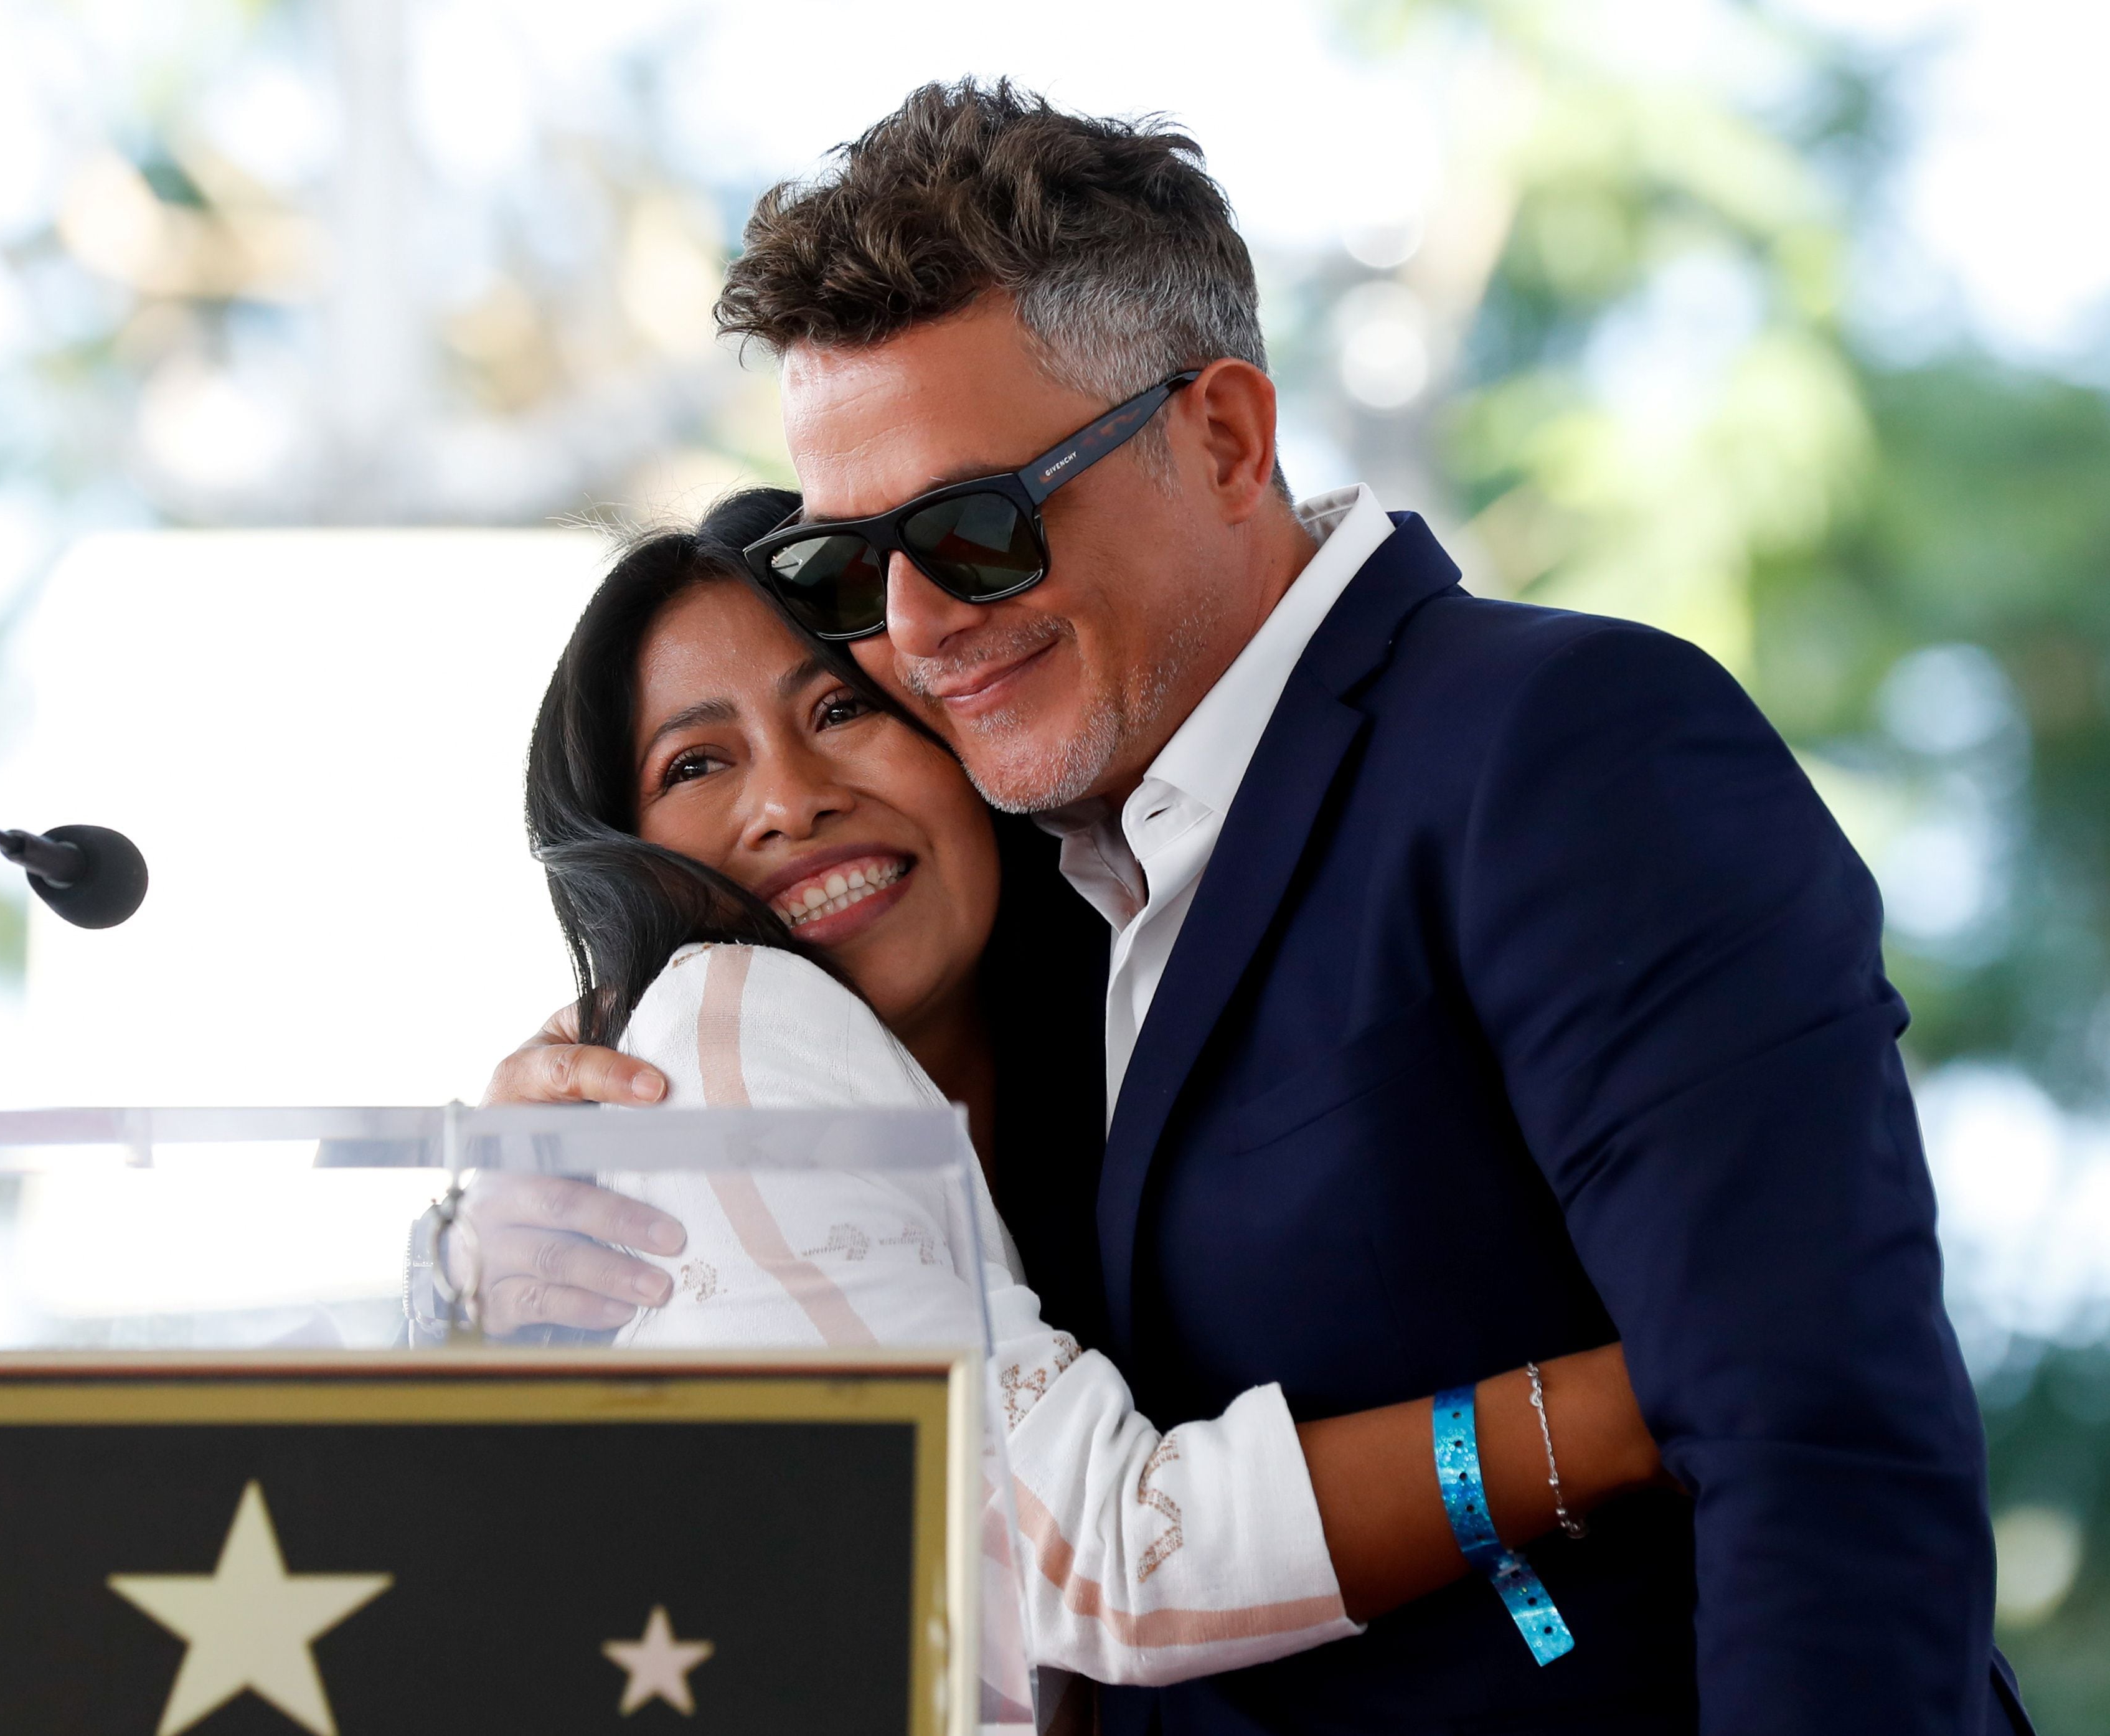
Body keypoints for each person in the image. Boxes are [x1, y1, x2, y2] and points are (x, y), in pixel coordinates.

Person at [487, 82, 2028, 1736]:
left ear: (1224, 435)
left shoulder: (1565, 743)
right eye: (847, 568)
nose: (917, 625)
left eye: (979, 527)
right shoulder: (1066, 907)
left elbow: (1818, 1431)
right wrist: (514, 1240)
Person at [457, 495, 1663, 1720]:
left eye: (842, 707)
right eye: (695, 763)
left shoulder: (1148, 1024)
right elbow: (1098, 1557)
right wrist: (1658, 1398)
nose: (791, 798)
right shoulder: (718, 1025)